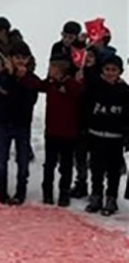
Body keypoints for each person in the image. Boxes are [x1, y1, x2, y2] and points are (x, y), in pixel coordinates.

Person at [0, 45, 42, 205]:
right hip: (3, 122)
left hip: (22, 124)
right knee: (1, 159)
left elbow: (32, 97)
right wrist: (11, 75)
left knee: (23, 160)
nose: (20, 61)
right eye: (17, 57)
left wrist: (23, 78)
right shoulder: (3, 75)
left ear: (28, 60)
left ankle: (21, 191)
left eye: (23, 58)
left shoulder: (32, 78)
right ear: (10, 59)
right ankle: (1, 189)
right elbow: (4, 91)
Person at [82, 54, 127, 216]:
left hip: (115, 138)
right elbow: (85, 109)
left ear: (119, 72)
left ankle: (111, 198)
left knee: (113, 171)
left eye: (113, 70)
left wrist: (126, 135)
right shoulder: (94, 88)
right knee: (96, 169)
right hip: (96, 136)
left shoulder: (125, 91)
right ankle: (96, 195)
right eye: (107, 69)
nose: (110, 73)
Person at [36, 58, 84, 206]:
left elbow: (79, 93)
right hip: (51, 131)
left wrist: (68, 83)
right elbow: (37, 85)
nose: (49, 70)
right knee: (49, 164)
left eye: (52, 68)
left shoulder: (73, 85)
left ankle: (64, 193)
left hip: (68, 133)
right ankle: (47, 192)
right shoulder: (50, 84)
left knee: (66, 166)